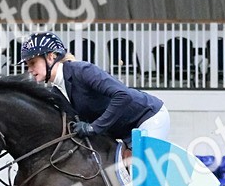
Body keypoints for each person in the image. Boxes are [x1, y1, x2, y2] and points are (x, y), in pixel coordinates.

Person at [19, 32, 169, 145]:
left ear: (51, 57)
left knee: (142, 174)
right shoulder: (57, 92)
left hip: (148, 117)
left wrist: (93, 128)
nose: (29, 69)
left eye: (32, 63)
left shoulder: (83, 70)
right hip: (124, 132)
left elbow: (123, 95)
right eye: (27, 65)